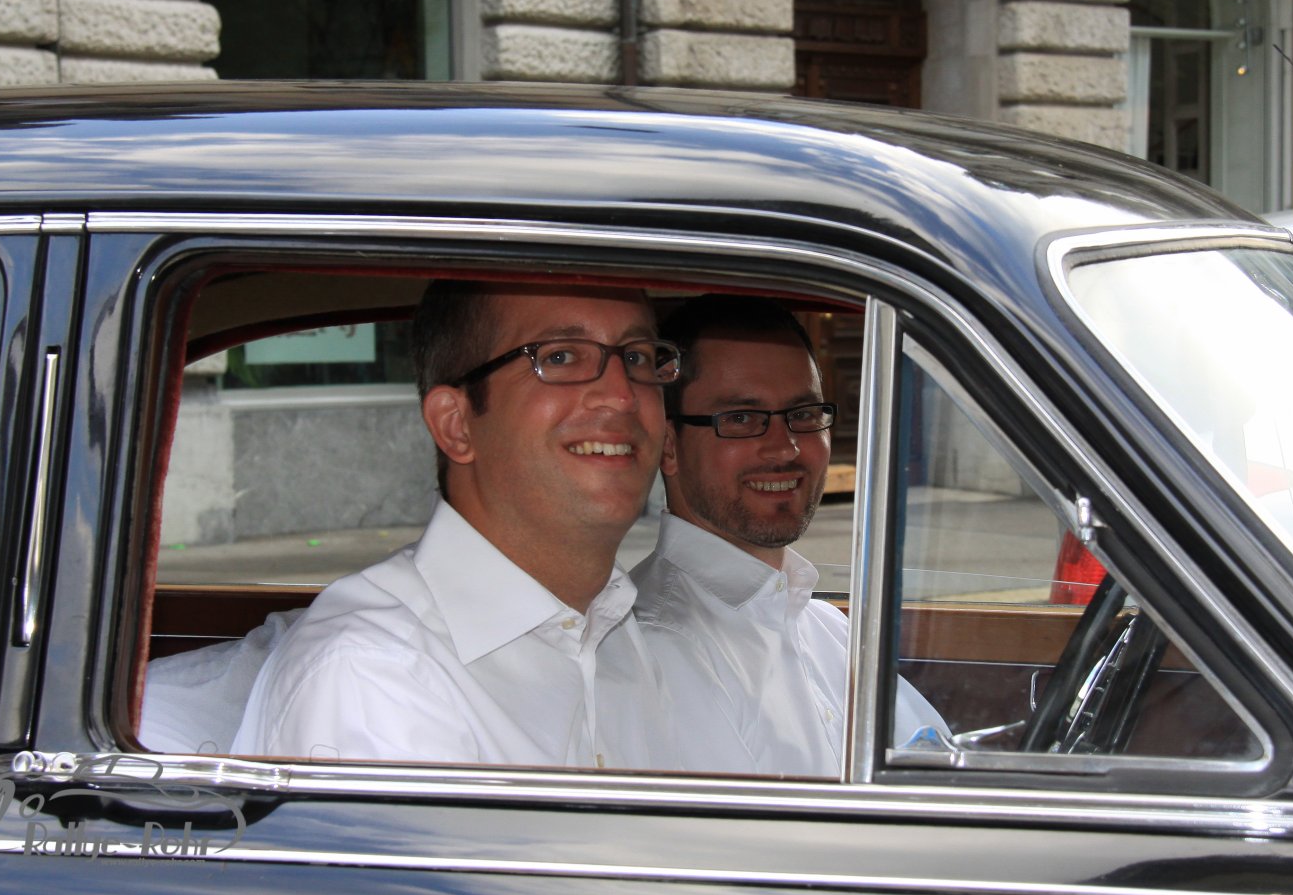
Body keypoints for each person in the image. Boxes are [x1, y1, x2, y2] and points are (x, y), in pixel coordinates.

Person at [232, 281, 680, 767]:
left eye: (636, 358)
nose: (621, 396)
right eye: (560, 357)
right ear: (456, 425)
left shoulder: (616, 625)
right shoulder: (375, 675)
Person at [632, 295, 948, 776]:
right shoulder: (658, 651)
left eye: (803, 414)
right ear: (668, 446)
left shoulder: (824, 625)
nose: (785, 448)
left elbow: (936, 764)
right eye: (741, 418)